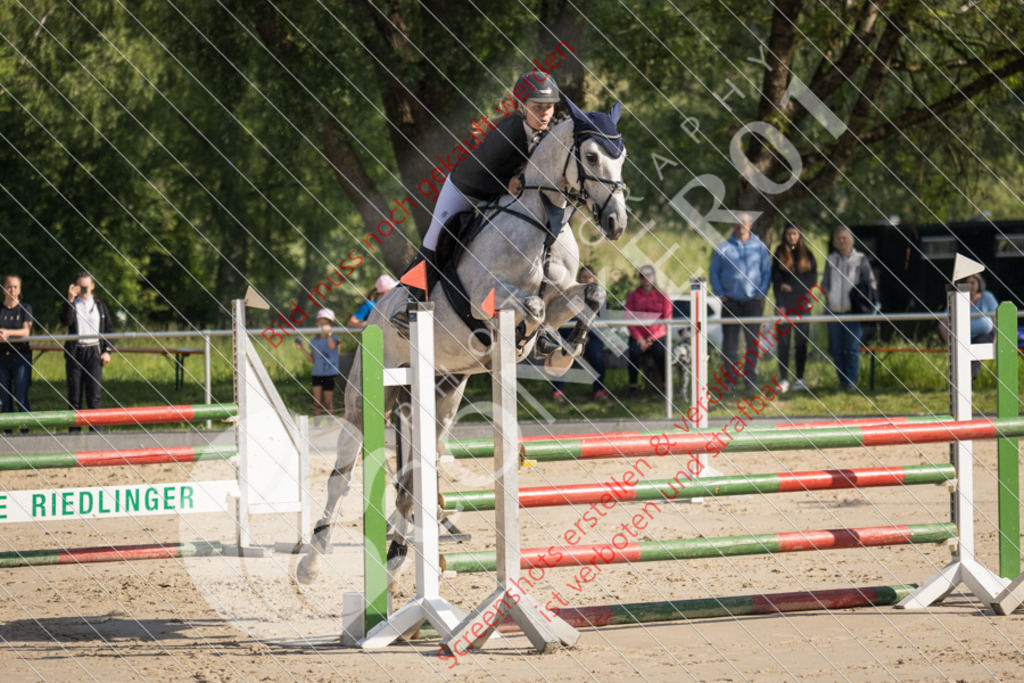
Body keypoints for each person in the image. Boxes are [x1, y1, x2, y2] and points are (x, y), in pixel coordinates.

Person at [393, 72, 561, 328]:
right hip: (466, 188)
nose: (545, 113)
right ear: (521, 106)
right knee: (434, 239)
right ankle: (409, 305)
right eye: (538, 107)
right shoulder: (507, 134)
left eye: (549, 107)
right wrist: (505, 185)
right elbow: (476, 172)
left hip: (503, 194)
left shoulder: (549, 131)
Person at [709, 212, 771, 390]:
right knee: (730, 344)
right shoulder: (723, 248)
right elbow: (714, 273)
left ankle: (751, 381)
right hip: (731, 302)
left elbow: (766, 272)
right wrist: (721, 294)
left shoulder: (759, 247)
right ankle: (731, 381)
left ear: (750, 225)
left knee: (752, 344)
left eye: (743, 222)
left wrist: (761, 293)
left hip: (752, 302)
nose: (740, 225)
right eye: (736, 222)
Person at [822, 226, 878, 391]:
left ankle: (852, 383)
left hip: (853, 311)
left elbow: (870, 283)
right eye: (838, 238)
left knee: (852, 349)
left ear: (850, 240)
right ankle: (842, 382)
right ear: (835, 241)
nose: (841, 241)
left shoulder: (860, 259)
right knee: (837, 350)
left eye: (844, 238)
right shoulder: (831, 259)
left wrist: (863, 300)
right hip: (833, 312)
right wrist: (828, 295)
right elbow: (824, 282)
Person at [61, 272, 114, 431]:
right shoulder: (73, 303)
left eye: (86, 286)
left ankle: (95, 435)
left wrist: (107, 351)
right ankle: (74, 434)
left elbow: (109, 330)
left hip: (94, 352)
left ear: (92, 286)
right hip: (76, 352)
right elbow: (66, 321)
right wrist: (70, 299)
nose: (83, 290)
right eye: (80, 286)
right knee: (74, 398)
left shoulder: (100, 306)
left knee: (94, 397)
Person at [771, 223, 818, 393]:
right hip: (784, 304)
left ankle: (800, 377)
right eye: (789, 233)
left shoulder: (808, 255)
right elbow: (777, 281)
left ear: (799, 235)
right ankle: (783, 378)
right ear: (785, 235)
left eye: (795, 234)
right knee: (783, 343)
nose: (792, 237)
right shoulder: (779, 253)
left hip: (802, 305)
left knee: (801, 342)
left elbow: (811, 281)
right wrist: (780, 303)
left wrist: (793, 287)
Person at [553, 266, 609, 402]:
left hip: (592, 338)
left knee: (597, 357)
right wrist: (576, 336)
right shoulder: (569, 295)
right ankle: (558, 391)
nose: (587, 280)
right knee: (561, 354)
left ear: (593, 279)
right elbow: (561, 319)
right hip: (569, 336)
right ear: (579, 278)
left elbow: (604, 322)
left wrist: (586, 337)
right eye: (584, 277)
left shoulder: (601, 298)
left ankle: (599, 390)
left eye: (589, 277)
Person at [939, 272, 998, 380]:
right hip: (963, 337)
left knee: (979, 347)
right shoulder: (958, 298)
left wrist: (996, 339)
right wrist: (949, 343)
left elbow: (996, 318)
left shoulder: (987, 297)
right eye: (967, 283)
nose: (970, 286)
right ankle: (960, 381)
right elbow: (943, 323)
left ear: (979, 284)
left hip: (983, 336)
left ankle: (968, 377)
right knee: (961, 349)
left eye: (973, 282)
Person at [625, 264, 672, 395]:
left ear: (654, 277)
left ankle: (665, 385)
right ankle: (633, 386)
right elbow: (628, 319)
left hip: (657, 335)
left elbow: (667, 320)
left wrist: (652, 338)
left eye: (648, 275)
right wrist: (639, 338)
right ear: (639, 278)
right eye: (642, 275)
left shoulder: (663, 295)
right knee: (634, 352)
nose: (645, 278)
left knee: (660, 352)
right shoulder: (632, 296)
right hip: (638, 336)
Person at [0, 275, 34, 432]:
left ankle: (25, 434)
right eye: (9, 286)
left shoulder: (25, 308)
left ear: (19, 290)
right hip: (2, 358)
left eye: (15, 287)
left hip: (20, 357)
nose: (12, 290)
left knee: (21, 397)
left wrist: (8, 333)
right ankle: (7, 435)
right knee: (5, 399)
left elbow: (26, 331)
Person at [296, 308, 340, 424]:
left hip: (329, 374)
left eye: (326, 323)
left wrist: (329, 333)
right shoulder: (314, 340)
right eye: (320, 323)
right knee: (317, 402)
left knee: (328, 402)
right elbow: (312, 359)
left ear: (331, 325)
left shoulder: (333, 337)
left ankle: (330, 425)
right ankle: (317, 425)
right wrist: (302, 349)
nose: (323, 326)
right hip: (317, 373)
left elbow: (331, 347)